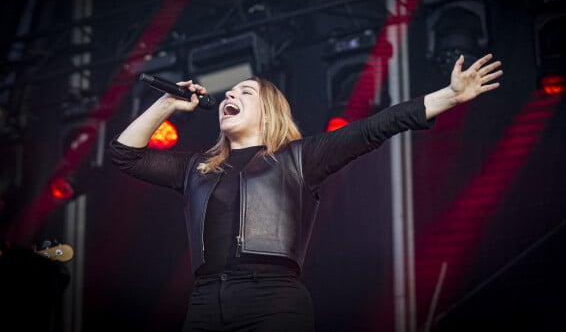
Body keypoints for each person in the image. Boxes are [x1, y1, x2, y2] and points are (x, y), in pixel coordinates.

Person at [109, 53, 502, 332]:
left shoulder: (300, 158)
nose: (230, 96)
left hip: (273, 301)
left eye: (245, 92)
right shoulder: (196, 167)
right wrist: (166, 103)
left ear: (269, 111)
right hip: (205, 302)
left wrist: (450, 96)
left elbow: (376, 127)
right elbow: (124, 155)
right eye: (228, 94)